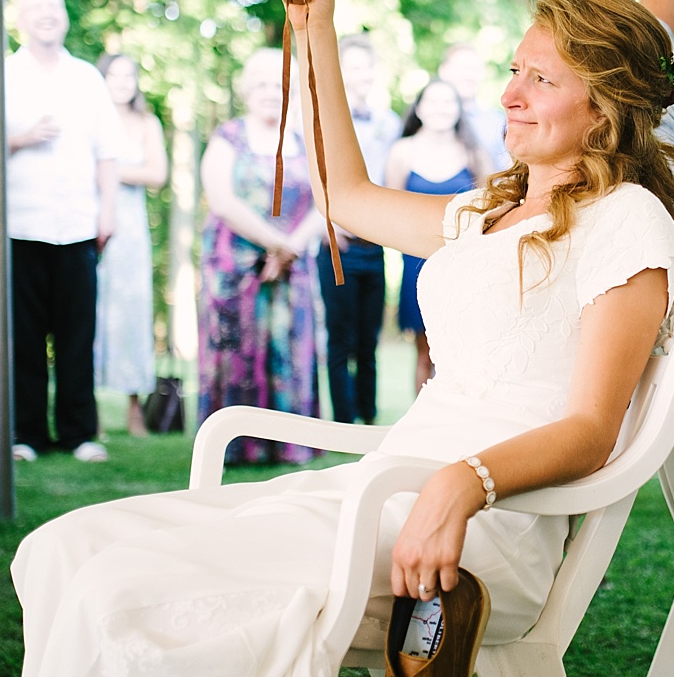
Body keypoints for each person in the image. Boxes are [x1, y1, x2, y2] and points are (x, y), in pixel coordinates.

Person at [0, 0, 674, 677]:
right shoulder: (490, 209)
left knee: (127, 584)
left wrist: (462, 483)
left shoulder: (628, 221)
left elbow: (593, 427)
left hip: (479, 530)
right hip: (389, 487)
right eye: (512, 70)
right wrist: (313, 22)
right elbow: (347, 198)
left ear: (606, 102)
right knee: (64, 547)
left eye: (539, 78)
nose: (508, 93)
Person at [4, 0, 120, 464]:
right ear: (20, 19)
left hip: (78, 223)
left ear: (65, 17)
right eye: (36, 8)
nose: (46, 15)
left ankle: (78, 432)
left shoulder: (87, 78)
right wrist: (24, 138)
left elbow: (107, 151)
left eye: (54, 6)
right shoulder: (5, 75)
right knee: (24, 336)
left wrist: (107, 210)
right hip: (20, 224)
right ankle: (26, 435)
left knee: (77, 333)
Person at [197, 49, 325, 466]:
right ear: (247, 90)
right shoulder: (228, 138)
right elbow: (222, 200)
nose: (272, 92)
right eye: (263, 84)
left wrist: (289, 251)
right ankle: (236, 446)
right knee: (237, 352)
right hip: (236, 268)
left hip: (293, 269)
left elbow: (326, 202)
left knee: (288, 350)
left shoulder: (307, 141)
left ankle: (288, 445)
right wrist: (277, 244)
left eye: (280, 84)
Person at [386, 78, 494, 392]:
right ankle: (419, 431)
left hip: (463, 264)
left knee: (463, 354)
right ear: (419, 108)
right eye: (432, 101)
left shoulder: (474, 154)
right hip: (416, 264)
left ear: (459, 110)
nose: (440, 108)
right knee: (424, 353)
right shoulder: (402, 153)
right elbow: (390, 209)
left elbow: (492, 208)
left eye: (448, 101)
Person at [319, 34, 399, 425]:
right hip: (337, 243)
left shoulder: (389, 122)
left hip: (375, 243)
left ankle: (368, 416)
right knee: (341, 338)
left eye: (367, 67)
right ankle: (342, 418)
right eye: (353, 66)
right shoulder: (324, 118)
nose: (361, 74)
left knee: (369, 339)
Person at [94, 52, 168, 436]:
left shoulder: (146, 123)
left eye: (129, 76)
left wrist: (108, 170)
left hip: (131, 231)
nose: (122, 82)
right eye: (114, 75)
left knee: (132, 316)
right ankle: (87, 411)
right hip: (90, 222)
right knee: (91, 314)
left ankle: (134, 408)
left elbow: (157, 173)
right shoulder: (89, 119)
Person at [438, 41, 511, 170]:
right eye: (461, 68)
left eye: (475, 69)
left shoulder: (498, 123)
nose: (468, 76)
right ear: (443, 71)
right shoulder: (423, 117)